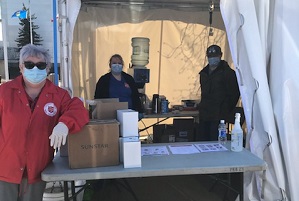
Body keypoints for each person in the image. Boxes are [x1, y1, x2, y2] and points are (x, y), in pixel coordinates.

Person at [0, 44, 89, 201]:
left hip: (36, 171)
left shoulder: (59, 95)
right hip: (5, 169)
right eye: (29, 65)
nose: (35, 69)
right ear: (21, 67)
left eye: (40, 65)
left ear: (47, 69)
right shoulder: (4, 92)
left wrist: (64, 124)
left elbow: (78, 109)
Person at [197, 45, 240, 141]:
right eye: (210, 56)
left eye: (215, 56)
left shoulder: (228, 73)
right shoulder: (203, 73)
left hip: (219, 116)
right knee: (203, 141)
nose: (212, 59)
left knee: (217, 143)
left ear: (221, 55)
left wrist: (225, 109)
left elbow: (234, 93)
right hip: (205, 115)